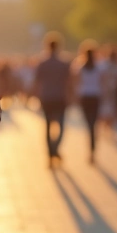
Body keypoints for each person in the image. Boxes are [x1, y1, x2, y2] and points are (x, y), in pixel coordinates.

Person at [33, 33, 72, 166]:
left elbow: (37, 82)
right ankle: (55, 149)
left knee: (48, 127)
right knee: (61, 126)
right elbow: (69, 82)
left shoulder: (42, 63)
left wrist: (37, 97)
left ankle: (51, 154)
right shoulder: (64, 63)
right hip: (60, 97)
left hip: (46, 97)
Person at [74, 43, 105, 164]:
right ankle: (93, 149)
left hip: (85, 97)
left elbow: (77, 83)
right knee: (94, 124)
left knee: (89, 125)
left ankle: (91, 149)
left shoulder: (80, 67)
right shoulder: (99, 67)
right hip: (95, 96)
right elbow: (102, 83)